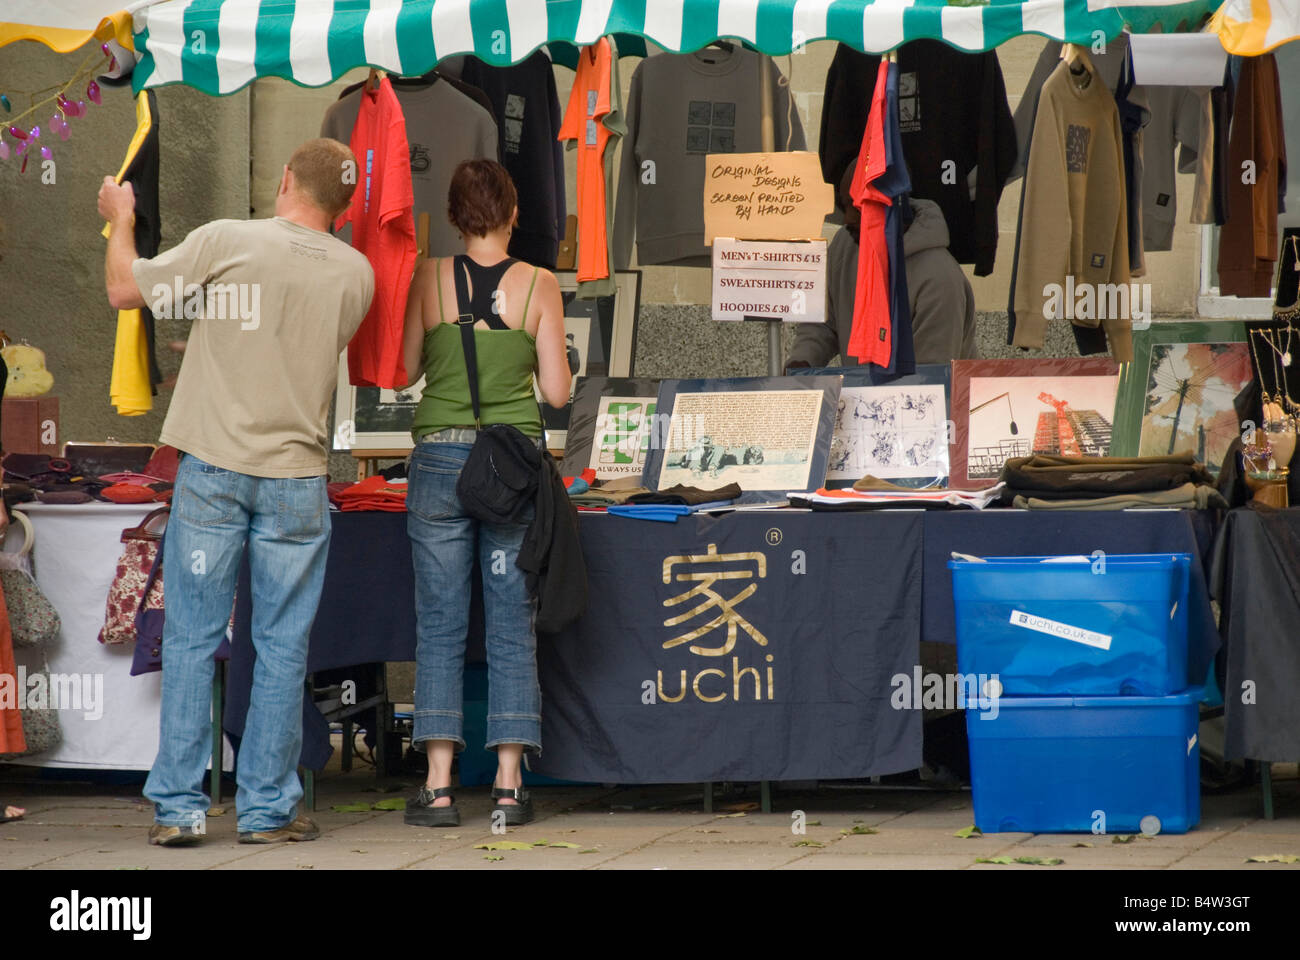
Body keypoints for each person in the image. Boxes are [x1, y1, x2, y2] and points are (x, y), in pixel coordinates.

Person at [98, 138, 374, 847]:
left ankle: (181, 808)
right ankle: (267, 810)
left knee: (191, 638)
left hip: (216, 469)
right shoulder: (357, 274)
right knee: (281, 646)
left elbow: (125, 289)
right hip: (296, 479)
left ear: (284, 179)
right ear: (345, 208)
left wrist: (121, 218)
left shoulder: (228, 240)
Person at [400, 159, 568, 828]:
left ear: (453, 216)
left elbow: (407, 367)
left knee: (439, 624)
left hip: (440, 461)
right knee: (509, 625)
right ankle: (507, 783)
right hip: (511, 470)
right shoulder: (541, 285)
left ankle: (438, 787)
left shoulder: (428, 278)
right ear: (514, 214)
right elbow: (556, 393)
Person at [787, 169, 977, 370]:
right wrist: (803, 361)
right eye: (845, 206)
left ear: (893, 205)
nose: (848, 219)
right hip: (865, 393)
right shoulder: (846, 243)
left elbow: (930, 378)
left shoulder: (939, 279)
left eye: (860, 207)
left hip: (928, 396)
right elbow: (823, 322)